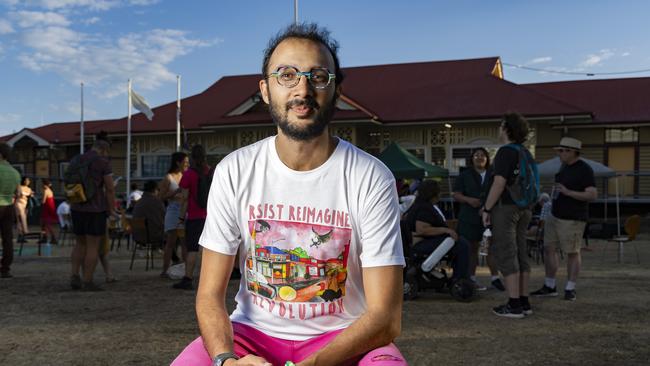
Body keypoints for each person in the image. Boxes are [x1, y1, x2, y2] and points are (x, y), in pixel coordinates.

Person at [172, 23, 406, 366]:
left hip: (345, 339)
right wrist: (226, 360)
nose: (302, 88)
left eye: (318, 76)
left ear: (337, 90)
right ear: (265, 90)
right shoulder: (235, 170)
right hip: (251, 335)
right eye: (287, 75)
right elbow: (209, 295)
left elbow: (386, 317)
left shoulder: (370, 177)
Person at [481, 112, 535, 319]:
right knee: (521, 253)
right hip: (525, 208)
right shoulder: (525, 152)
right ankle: (523, 300)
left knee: (506, 253)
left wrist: (487, 208)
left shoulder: (505, 152)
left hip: (506, 208)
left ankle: (513, 304)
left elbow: (499, 182)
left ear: (505, 128)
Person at [531, 137, 596, 301]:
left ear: (572, 151)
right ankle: (550, 285)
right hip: (555, 214)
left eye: (561, 151)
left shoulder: (584, 169)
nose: (559, 154)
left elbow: (592, 194)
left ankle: (570, 288)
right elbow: (560, 190)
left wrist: (568, 193)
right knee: (548, 249)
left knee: (572, 252)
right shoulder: (563, 167)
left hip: (573, 218)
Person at [69, 131, 117, 291]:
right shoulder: (103, 162)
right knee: (93, 246)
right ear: (104, 150)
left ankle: (74, 275)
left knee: (79, 243)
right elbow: (110, 189)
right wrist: (112, 210)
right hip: (95, 209)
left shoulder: (77, 159)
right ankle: (87, 281)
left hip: (76, 206)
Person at [453, 148, 504, 291]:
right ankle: (472, 279)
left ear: (487, 159)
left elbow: (500, 193)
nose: (479, 157)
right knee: (472, 249)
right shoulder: (464, 175)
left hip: (489, 217)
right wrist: (469, 200)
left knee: (490, 248)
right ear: (472, 159)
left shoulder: (493, 175)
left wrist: (488, 207)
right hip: (469, 217)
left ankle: (495, 278)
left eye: (482, 155)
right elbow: (456, 195)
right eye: (476, 155)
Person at [407, 180, 470, 282]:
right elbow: (422, 229)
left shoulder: (420, 205)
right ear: (432, 193)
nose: (440, 194)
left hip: (420, 243)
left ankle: (459, 277)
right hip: (420, 245)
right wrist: (446, 230)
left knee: (461, 242)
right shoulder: (424, 208)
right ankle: (460, 279)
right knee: (462, 245)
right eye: (438, 192)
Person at [173, 145, 209, 290]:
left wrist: (181, 218)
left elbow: (185, 198)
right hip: (211, 216)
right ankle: (208, 279)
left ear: (192, 157)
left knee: (192, 249)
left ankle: (188, 278)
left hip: (194, 216)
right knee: (209, 249)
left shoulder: (189, 174)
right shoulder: (211, 171)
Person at [159, 151, 189, 277]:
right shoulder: (169, 177)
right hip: (173, 210)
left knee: (184, 243)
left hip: (185, 210)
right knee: (171, 242)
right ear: (178, 162)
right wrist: (176, 191)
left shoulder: (187, 175)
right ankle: (165, 270)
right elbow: (161, 196)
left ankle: (187, 270)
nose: (187, 164)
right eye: (185, 162)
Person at [0, 143, 21, 278]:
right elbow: (18, 193)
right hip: (8, 206)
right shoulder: (15, 172)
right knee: (7, 238)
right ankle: (5, 268)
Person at [132, 180, 166, 248]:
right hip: (152, 236)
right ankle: (171, 255)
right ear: (154, 190)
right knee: (172, 232)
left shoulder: (138, 202)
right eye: (158, 190)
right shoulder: (157, 202)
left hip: (137, 236)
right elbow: (163, 220)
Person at [40, 178, 58, 244]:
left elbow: (43, 201)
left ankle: (52, 238)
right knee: (44, 224)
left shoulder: (46, 191)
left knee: (46, 223)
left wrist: (40, 202)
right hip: (50, 208)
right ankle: (45, 237)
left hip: (46, 208)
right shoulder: (50, 190)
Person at [15, 176, 33, 243]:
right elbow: (17, 195)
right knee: (20, 219)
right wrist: (21, 195)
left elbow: (30, 197)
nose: (28, 182)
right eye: (27, 180)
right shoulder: (19, 187)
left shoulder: (29, 189)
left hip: (25, 205)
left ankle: (22, 236)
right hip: (19, 204)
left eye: (29, 180)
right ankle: (21, 234)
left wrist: (30, 195)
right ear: (24, 181)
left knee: (23, 219)